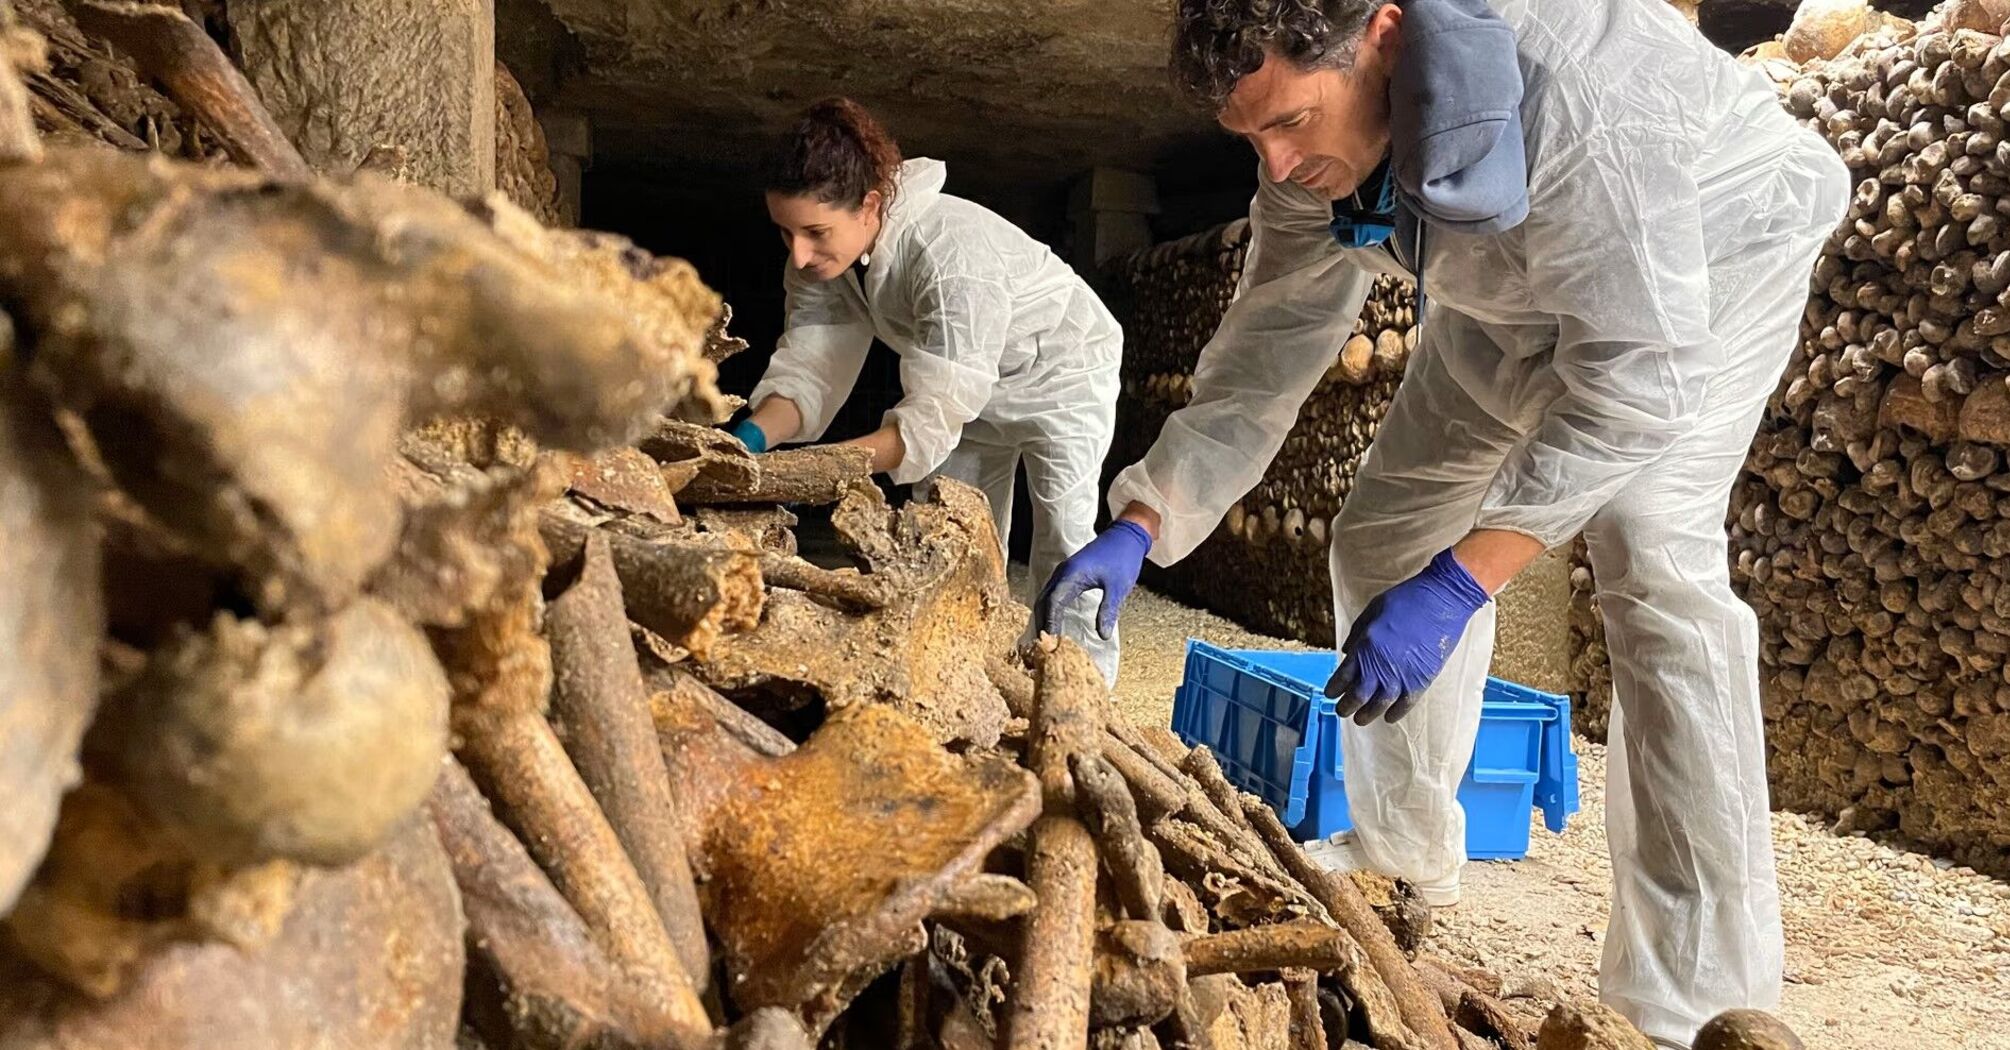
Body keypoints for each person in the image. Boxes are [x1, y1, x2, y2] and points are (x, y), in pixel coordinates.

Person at [1036, 0, 1849, 1043]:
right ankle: (1402, 854)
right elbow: (1269, 341)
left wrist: (1466, 582)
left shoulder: (1578, 102)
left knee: (1651, 564)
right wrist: (1146, 516)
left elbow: (1634, 383)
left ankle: (1695, 990)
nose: (1277, 166)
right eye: (1253, 139)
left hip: (1714, 248)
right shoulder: (1307, 160)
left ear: (1384, 36)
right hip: (1504, 297)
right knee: (1383, 535)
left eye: (1291, 123)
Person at [733, 98, 1126, 682]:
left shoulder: (950, 253)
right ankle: (968, 675)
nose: (799, 253)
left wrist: (816, 470)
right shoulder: (821, 258)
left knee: (1065, 536)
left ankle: (1080, 689)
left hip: (1063, 373)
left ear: (869, 205)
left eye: (815, 232)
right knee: (951, 534)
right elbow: (811, 365)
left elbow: (931, 418)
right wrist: (748, 441)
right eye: (785, 232)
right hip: (972, 390)